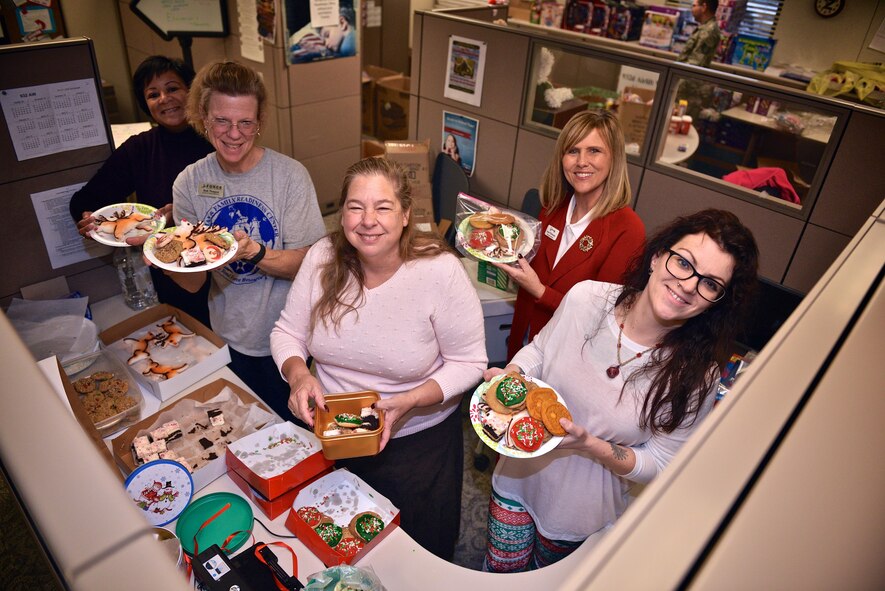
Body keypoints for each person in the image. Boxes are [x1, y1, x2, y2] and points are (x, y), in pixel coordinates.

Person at [482, 209, 759, 572]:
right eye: (683, 263)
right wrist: (514, 373)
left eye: (710, 284)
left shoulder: (697, 376)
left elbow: (659, 464)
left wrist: (591, 445)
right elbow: (541, 350)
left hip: (582, 517)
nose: (689, 284)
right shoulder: (586, 300)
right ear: (658, 257)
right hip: (517, 479)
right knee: (498, 577)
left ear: (716, 301)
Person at [270, 157, 487, 561]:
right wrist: (298, 374)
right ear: (342, 212)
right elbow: (288, 332)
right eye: (356, 206)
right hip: (333, 435)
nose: (368, 220)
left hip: (416, 442)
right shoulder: (322, 257)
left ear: (406, 214)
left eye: (383, 207)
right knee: (341, 543)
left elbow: (470, 362)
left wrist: (412, 400)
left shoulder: (439, 272)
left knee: (415, 553)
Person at [167, 60, 326, 423]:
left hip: (291, 343)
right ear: (203, 117)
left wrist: (254, 252)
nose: (234, 134)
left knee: (297, 436)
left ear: (259, 123)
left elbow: (311, 263)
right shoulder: (189, 183)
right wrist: (167, 258)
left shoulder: (289, 177)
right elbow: (193, 282)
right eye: (222, 120)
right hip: (228, 338)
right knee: (243, 432)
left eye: (245, 123)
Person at [69, 56, 214, 327]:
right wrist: (92, 218)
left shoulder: (218, 138)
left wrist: (184, 213)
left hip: (223, 270)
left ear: (192, 91)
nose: (164, 99)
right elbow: (86, 200)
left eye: (173, 88)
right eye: (153, 94)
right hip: (171, 273)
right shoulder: (140, 149)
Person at [497, 110, 645, 360]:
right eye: (573, 151)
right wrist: (502, 243)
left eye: (594, 151)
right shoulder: (553, 207)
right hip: (523, 344)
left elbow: (602, 318)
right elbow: (533, 270)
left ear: (614, 159)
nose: (581, 161)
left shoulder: (627, 229)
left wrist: (540, 291)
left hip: (569, 358)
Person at [677, 0, 721, 68]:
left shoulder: (709, 31)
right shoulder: (704, 27)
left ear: (704, 7)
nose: (692, 10)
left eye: (694, 6)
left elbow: (695, 64)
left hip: (687, 76)